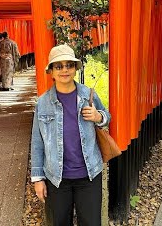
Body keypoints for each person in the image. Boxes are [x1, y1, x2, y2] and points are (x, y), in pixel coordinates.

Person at [31, 44, 111, 225]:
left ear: (75, 69)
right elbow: (37, 143)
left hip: (89, 174)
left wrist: (99, 116)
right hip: (57, 178)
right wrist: (38, 179)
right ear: (51, 71)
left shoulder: (88, 95)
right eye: (58, 66)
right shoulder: (43, 103)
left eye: (69, 65)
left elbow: (106, 117)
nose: (64, 70)